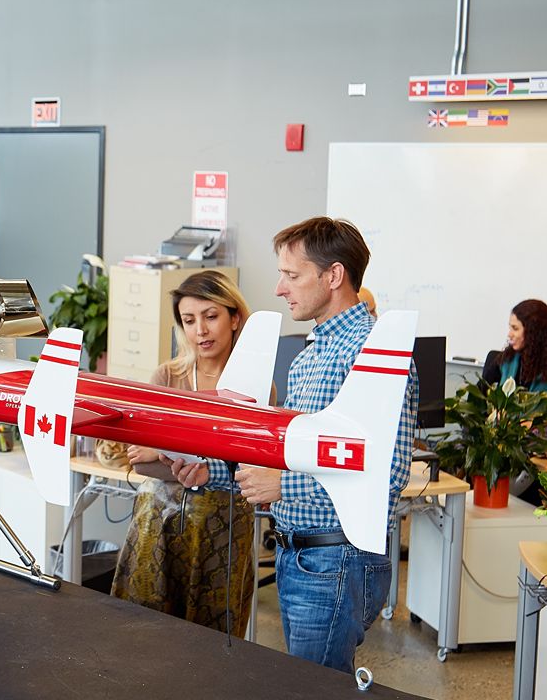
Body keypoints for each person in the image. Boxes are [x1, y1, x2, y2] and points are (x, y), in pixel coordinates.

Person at [169, 217, 418, 673]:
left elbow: (387, 472)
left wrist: (285, 486)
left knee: (312, 686)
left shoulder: (373, 351)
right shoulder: (307, 358)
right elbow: (286, 455)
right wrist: (213, 473)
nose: (279, 288)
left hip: (335, 557)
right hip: (298, 554)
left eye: (291, 275)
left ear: (333, 275)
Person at [110, 270, 256, 637]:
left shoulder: (254, 383)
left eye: (211, 316)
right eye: (189, 321)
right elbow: (140, 462)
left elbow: (248, 468)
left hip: (222, 528)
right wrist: (203, 461)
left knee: (212, 637)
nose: (200, 331)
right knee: (146, 632)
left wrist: (166, 452)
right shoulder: (168, 377)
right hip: (159, 522)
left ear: (234, 317)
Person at [481, 299, 547, 399]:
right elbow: (478, 396)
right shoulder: (505, 360)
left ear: (533, 331)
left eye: (515, 328)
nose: (509, 334)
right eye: (510, 328)